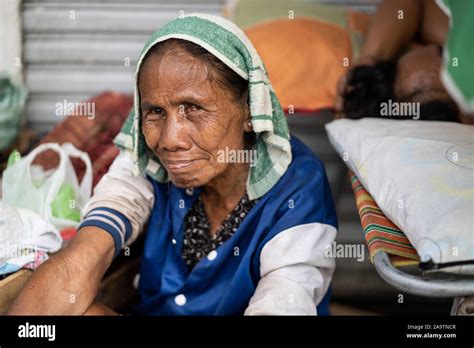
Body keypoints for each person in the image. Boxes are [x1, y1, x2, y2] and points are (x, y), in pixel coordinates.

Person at [7, 14, 338, 315]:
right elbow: (79, 263)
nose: (169, 140)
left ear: (250, 112)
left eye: (193, 108)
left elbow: (284, 302)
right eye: (155, 112)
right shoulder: (145, 158)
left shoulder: (297, 186)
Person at [335, 0, 469, 123]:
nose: (455, 51)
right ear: (467, 119)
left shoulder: (455, 37)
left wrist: (368, 60)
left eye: (443, 50)